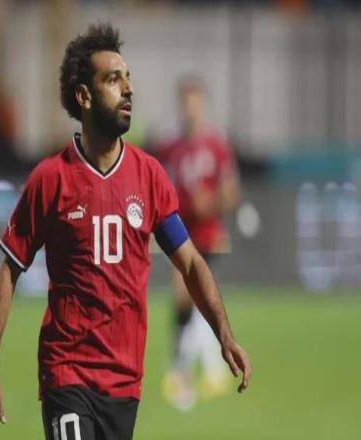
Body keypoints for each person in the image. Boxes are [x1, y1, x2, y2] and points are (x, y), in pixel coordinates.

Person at [0, 24, 250, 440]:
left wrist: (223, 333)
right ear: (84, 97)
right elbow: (8, 270)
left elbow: (191, 263)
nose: (128, 89)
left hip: (124, 381)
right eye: (113, 79)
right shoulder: (51, 179)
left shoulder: (149, 176)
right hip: (67, 373)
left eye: (128, 78)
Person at [158, 76, 241, 411]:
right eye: (186, 102)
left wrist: (212, 201)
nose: (191, 109)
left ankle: (190, 367)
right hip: (180, 233)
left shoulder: (216, 146)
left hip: (208, 235)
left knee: (199, 299)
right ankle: (189, 367)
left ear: (202, 105)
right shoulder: (171, 147)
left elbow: (231, 192)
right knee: (183, 296)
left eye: (195, 102)